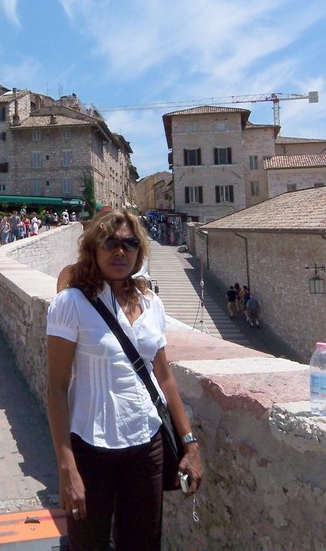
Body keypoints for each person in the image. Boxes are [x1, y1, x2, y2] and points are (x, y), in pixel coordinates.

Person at [46, 210, 202, 550]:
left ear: (139, 251)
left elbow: (165, 377)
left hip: (147, 446)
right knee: (88, 544)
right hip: (90, 448)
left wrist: (190, 444)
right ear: (93, 250)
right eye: (111, 243)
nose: (121, 251)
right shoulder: (70, 304)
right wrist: (67, 468)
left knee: (144, 543)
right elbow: (56, 388)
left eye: (130, 243)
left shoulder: (151, 303)